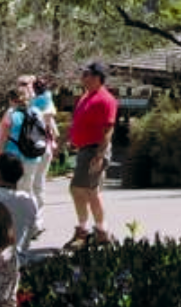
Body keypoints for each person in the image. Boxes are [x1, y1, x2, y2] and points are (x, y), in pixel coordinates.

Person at [65, 61, 118, 248]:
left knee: (79, 189)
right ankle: (97, 231)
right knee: (89, 191)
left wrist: (100, 155)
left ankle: (88, 231)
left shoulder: (105, 99)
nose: (83, 78)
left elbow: (108, 129)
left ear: (97, 77)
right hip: (84, 149)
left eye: (86, 74)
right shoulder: (86, 96)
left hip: (94, 149)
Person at [0, 87, 41, 197]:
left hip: (13, 158)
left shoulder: (10, 115)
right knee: (27, 191)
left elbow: (1, 139)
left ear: (11, 100)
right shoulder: (36, 113)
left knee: (13, 192)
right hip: (32, 157)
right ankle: (30, 212)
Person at [28, 76, 58, 214]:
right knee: (32, 183)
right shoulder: (36, 101)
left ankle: (37, 217)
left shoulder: (43, 100)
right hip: (34, 146)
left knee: (37, 182)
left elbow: (49, 114)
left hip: (40, 146)